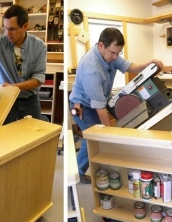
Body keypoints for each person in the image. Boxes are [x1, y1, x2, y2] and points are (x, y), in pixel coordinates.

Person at [69, 27, 163, 184]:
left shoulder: (111, 54)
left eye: (117, 53)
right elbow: (100, 109)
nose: (115, 57)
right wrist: (110, 135)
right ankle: (77, 175)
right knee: (92, 138)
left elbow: (130, 67)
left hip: (101, 101)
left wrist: (148, 64)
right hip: (83, 106)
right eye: (113, 53)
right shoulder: (91, 69)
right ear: (101, 46)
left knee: (119, 123)